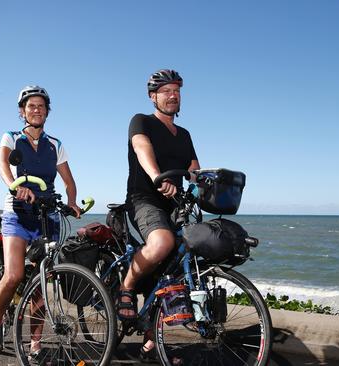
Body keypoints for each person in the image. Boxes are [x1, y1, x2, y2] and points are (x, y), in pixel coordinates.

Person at [0, 85, 81, 353]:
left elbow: (69, 181)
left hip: (46, 217)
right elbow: (2, 164)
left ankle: (36, 343)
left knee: (41, 281)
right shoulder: (12, 137)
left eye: (41, 106)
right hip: (17, 214)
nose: (36, 110)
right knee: (14, 274)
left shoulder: (55, 145)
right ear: (22, 111)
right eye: (31, 106)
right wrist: (16, 186)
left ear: (47, 112)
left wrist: (72, 201)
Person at [119, 69, 201, 360]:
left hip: (174, 205)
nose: (172, 95)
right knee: (163, 243)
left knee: (173, 270)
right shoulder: (141, 121)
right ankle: (126, 286)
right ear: (153, 96)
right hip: (144, 198)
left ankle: (151, 343)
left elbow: (194, 170)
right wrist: (157, 176)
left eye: (176, 90)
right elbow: (142, 150)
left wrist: (211, 181)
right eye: (165, 90)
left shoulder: (185, 135)